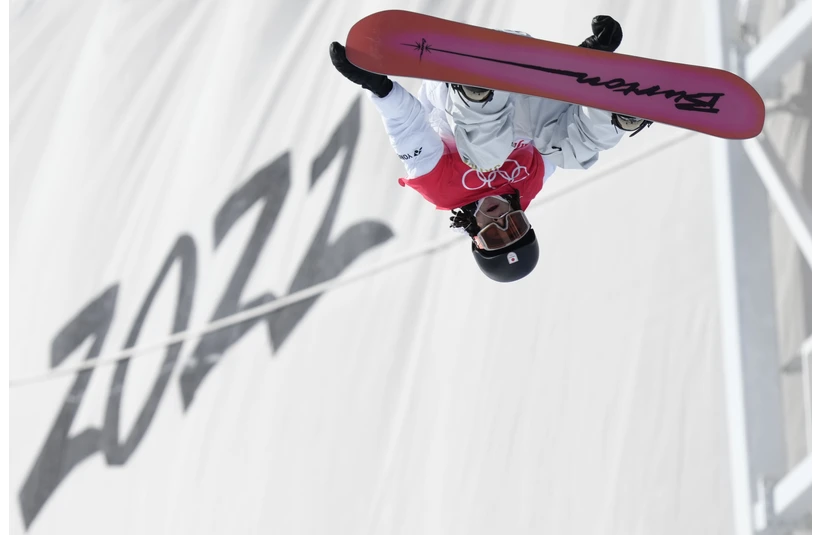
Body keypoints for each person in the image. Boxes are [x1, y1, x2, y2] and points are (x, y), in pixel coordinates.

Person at [329, 15, 651, 283]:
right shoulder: (530, 183)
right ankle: (620, 116)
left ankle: (478, 88)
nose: (501, 222)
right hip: (524, 67)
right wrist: (584, 62)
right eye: (515, 227)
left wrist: (379, 87)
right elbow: (559, 129)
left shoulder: (440, 188)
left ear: (474, 234)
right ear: (525, 220)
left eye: (495, 236)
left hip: (456, 86)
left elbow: (408, 128)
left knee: (487, 156)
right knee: (572, 156)